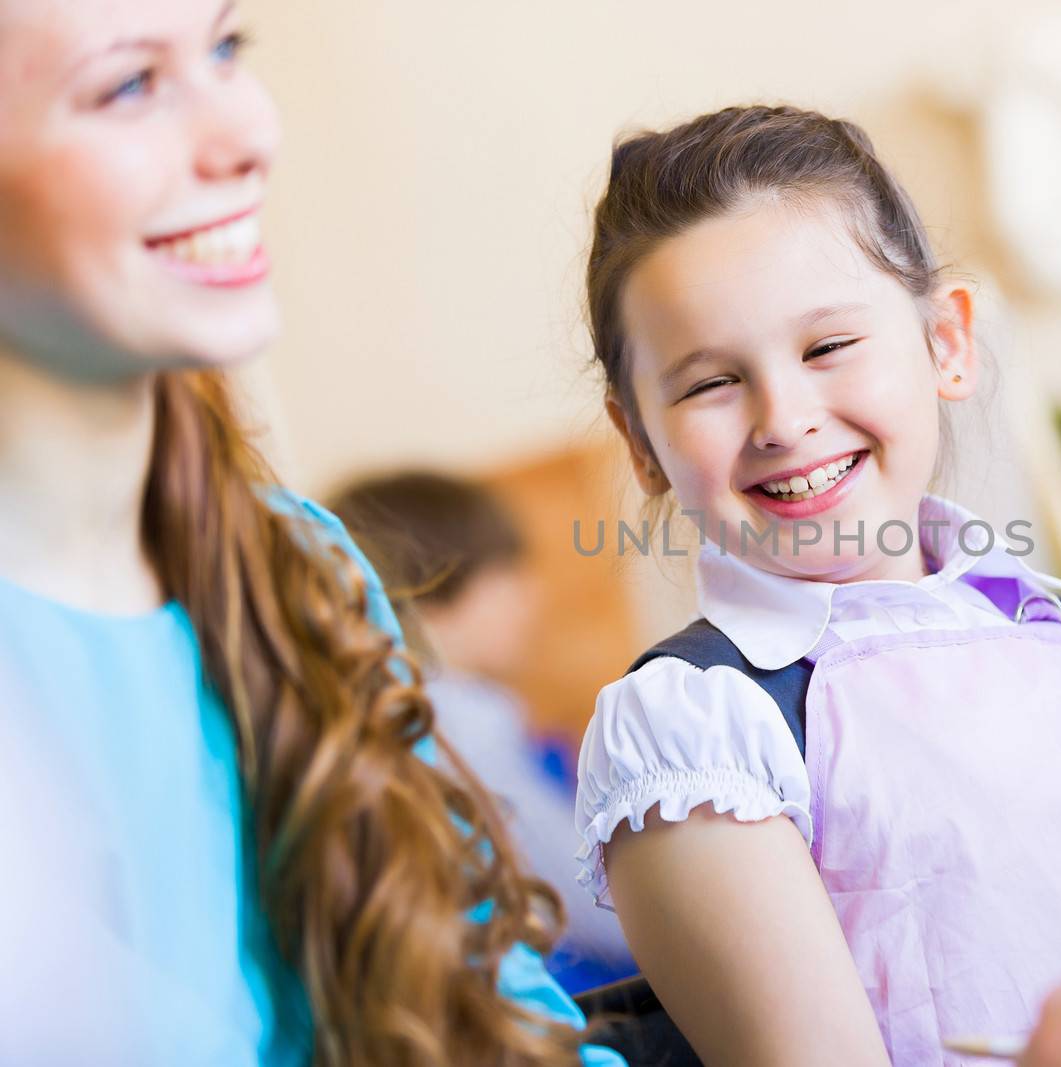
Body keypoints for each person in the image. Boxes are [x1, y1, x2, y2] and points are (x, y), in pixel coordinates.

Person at [573, 105, 1061, 1065]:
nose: (785, 418)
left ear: (946, 343)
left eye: (828, 347)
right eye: (711, 382)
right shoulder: (696, 732)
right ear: (640, 442)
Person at [0, 1, 619, 1063]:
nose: (247, 131)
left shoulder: (305, 560)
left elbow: (498, 1003)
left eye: (226, 49)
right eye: (129, 86)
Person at [329, 471, 636, 991]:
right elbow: (597, 911)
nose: (532, 596)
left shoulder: (366, 717)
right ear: (435, 588)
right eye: (509, 572)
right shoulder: (455, 719)